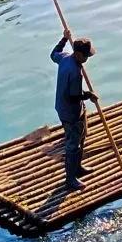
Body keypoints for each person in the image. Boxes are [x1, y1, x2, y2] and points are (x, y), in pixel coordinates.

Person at [50, 30, 98, 191]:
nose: (86, 59)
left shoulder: (64, 58)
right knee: (73, 146)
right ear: (77, 54)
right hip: (70, 112)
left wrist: (64, 38)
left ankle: (78, 168)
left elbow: (53, 54)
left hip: (69, 108)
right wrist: (88, 95)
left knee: (82, 136)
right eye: (85, 56)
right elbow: (74, 96)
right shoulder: (75, 72)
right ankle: (70, 179)